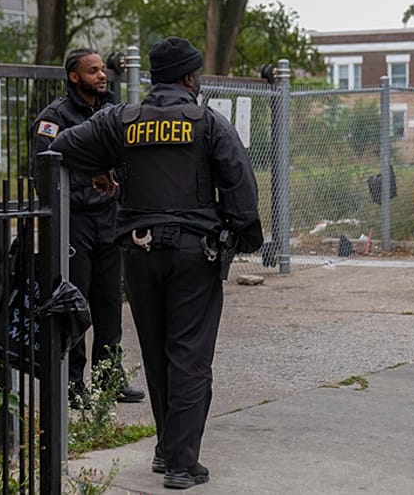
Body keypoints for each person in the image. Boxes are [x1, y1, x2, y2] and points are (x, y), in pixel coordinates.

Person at [49, 37, 263, 490]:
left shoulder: (121, 120)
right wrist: (245, 237)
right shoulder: (208, 122)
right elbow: (240, 184)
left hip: (137, 254)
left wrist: (101, 168)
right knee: (189, 357)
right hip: (193, 254)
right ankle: (183, 464)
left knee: (156, 353)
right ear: (189, 78)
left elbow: (60, 149)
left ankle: (167, 450)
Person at [31, 48, 145, 406]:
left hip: (108, 221)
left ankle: (109, 377)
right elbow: (44, 173)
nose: (101, 75)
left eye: (102, 70)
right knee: (74, 302)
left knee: (109, 302)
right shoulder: (55, 117)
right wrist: (88, 180)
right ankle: (73, 381)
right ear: (73, 76)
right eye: (92, 70)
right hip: (75, 221)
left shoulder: (109, 113)